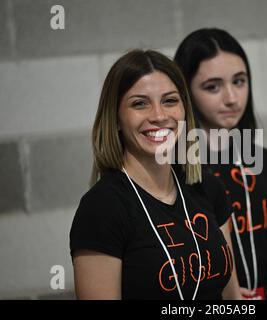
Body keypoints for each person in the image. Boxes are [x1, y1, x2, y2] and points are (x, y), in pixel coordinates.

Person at [69, 49, 242, 300]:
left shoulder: (206, 187)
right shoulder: (102, 208)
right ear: (115, 117)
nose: (159, 116)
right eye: (140, 103)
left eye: (170, 100)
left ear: (184, 109)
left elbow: (231, 298)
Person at [174, 28, 267, 300]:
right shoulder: (173, 169)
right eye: (212, 86)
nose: (232, 98)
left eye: (239, 81)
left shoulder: (265, 162)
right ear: (185, 92)